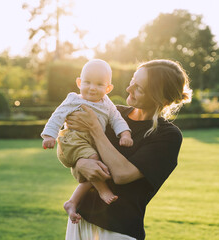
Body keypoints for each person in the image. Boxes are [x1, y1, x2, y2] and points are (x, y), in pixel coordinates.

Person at [64, 59, 193, 240]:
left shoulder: (167, 136)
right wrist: (81, 162)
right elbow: (70, 143)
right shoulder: (112, 113)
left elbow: (122, 174)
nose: (128, 89)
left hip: (117, 232)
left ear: (161, 99)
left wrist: (95, 130)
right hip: (79, 221)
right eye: (132, 81)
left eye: (139, 88)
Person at [41, 59, 134, 223]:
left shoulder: (108, 104)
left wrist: (125, 134)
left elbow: (117, 119)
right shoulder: (73, 99)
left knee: (95, 169)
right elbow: (58, 116)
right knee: (94, 162)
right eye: (87, 82)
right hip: (73, 140)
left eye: (99, 84)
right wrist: (49, 135)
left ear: (108, 88)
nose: (92, 87)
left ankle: (72, 202)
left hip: (90, 144)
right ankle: (103, 190)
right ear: (79, 82)